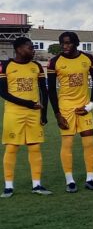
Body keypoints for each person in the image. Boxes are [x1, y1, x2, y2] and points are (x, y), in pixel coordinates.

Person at [47, 31, 93, 193]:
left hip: (84, 109)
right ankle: (69, 181)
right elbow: (51, 91)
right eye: (63, 43)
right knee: (67, 144)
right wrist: (57, 114)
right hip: (65, 109)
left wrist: (90, 105)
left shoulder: (88, 59)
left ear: (76, 43)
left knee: (89, 143)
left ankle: (90, 179)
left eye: (69, 43)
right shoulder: (54, 61)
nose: (65, 46)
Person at [1, 37, 50, 197]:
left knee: (35, 147)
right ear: (19, 49)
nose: (33, 50)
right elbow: (3, 92)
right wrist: (27, 103)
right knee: (12, 147)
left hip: (34, 113)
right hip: (14, 113)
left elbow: (43, 91)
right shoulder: (6, 66)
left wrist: (44, 113)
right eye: (30, 48)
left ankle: (37, 185)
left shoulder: (36, 66)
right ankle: (9, 186)